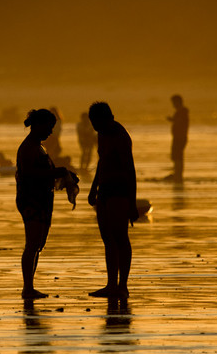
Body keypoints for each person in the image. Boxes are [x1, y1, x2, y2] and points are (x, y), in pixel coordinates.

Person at [16, 109, 72, 299]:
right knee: (32, 244)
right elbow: (30, 173)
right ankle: (27, 288)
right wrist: (57, 173)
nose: (50, 132)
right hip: (31, 200)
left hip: (42, 199)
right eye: (49, 128)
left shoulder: (39, 147)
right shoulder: (28, 147)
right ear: (38, 125)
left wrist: (65, 176)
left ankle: (30, 286)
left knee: (38, 245)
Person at [87, 102, 137, 298]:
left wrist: (132, 203)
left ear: (106, 118)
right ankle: (111, 285)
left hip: (120, 191)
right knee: (107, 238)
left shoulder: (120, 136)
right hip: (105, 191)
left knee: (120, 237)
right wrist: (93, 188)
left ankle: (122, 286)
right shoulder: (102, 133)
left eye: (95, 122)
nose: (93, 127)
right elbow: (101, 162)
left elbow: (130, 170)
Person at [168, 94, 189, 181]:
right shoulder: (181, 112)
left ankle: (178, 175)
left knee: (177, 156)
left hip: (180, 138)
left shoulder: (182, 111)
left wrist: (173, 120)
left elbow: (180, 122)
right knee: (176, 156)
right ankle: (177, 174)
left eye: (174, 102)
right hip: (178, 137)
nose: (173, 104)